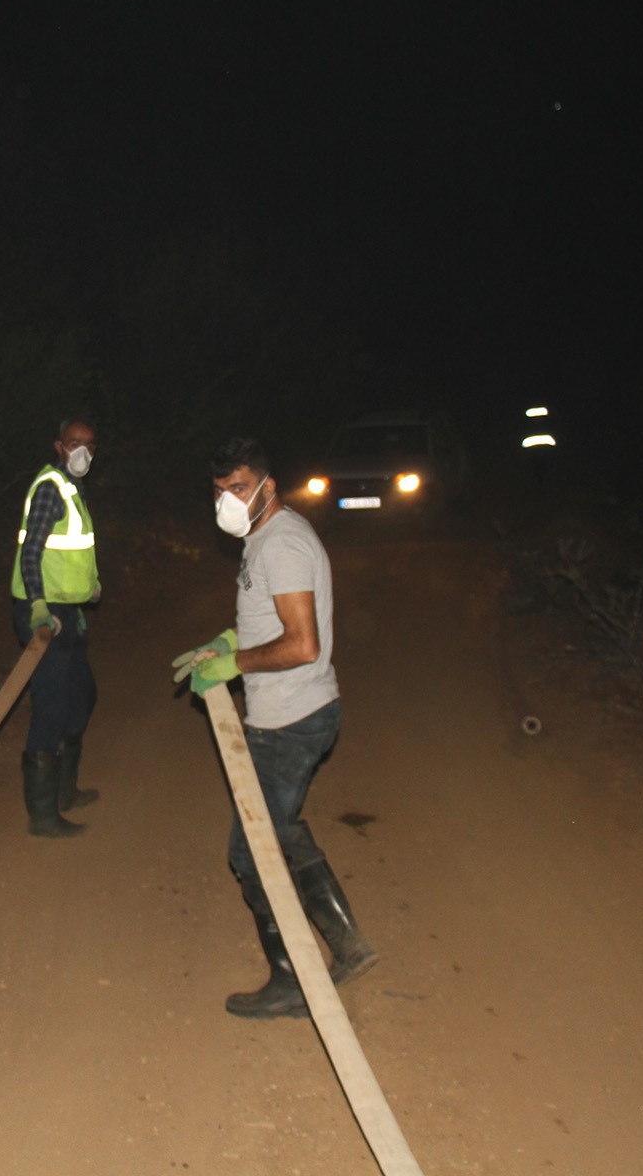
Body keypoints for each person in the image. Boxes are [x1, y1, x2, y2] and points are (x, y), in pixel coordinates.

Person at [171, 435, 377, 1018]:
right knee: (279, 830)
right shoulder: (262, 538)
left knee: (251, 850)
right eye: (217, 491)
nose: (226, 501)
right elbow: (271, 621)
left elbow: (303, 643)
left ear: (267, 485)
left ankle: (291, 978)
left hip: (291, 718)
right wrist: (227, 643)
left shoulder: (281, 544)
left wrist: (234, 665)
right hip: (294, 711)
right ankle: (347, 943)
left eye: (236, 488)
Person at [9, 418, 102, 838]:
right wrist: (39, 606)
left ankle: (65, 790)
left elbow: (71, 551)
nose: (82, 451)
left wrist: (86, 592)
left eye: (89, 445)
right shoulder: (50, 487)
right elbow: (31, 553)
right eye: (74, 443)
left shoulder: (72, 487)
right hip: (44, 613)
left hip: (68, 610)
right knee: (50, 706)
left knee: (81, 696)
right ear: (59, 446)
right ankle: (43, 816)